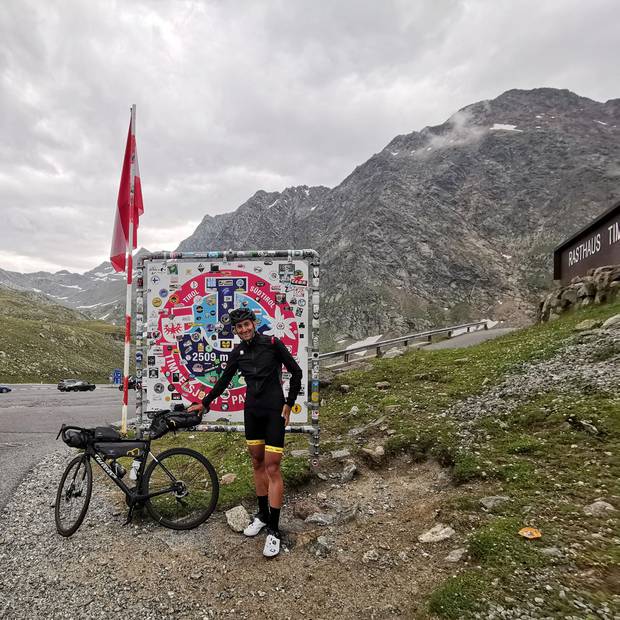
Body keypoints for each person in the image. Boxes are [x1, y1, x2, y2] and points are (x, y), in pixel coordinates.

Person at [188, 307, 302, 557]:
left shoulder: (273, 343)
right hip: (251, 411)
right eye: (239, 327)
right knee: (257, 462)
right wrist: (205, 402)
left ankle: (274, 530)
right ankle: (262, 515)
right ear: (236, 331)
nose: (244, 329)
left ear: (254, 323)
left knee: (273, 467)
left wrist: (289, 402)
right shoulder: (238, 352)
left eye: (247, 325)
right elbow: (224, 380)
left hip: (273, 412)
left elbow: (296, 371)